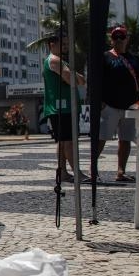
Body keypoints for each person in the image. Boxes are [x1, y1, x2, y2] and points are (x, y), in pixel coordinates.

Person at [92, 25, 139, 183]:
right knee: (101, 138)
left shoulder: (134, 59)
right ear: (111, 40)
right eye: (115, 37)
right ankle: (93, 170)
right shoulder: (104, 57)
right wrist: (99, 101)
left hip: (130, 106)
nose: (119, 40)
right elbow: (96, 81)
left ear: (127, 39)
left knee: (126, 139)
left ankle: (121, 171)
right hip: (109, 105)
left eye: (122, 37)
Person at [41, 34, 88, 182]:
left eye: (67, 44)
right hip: (62, 108)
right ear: (52, 44)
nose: (66, 47)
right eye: (63, 44)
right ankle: (77, 173)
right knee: (69, 141)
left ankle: (62, 172)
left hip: (61, 108)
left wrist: (74, 76)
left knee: (62, 142)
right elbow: (74, 80)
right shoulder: (55, 61)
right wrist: (75, 76)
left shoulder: (61, 62)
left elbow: (80, 80)